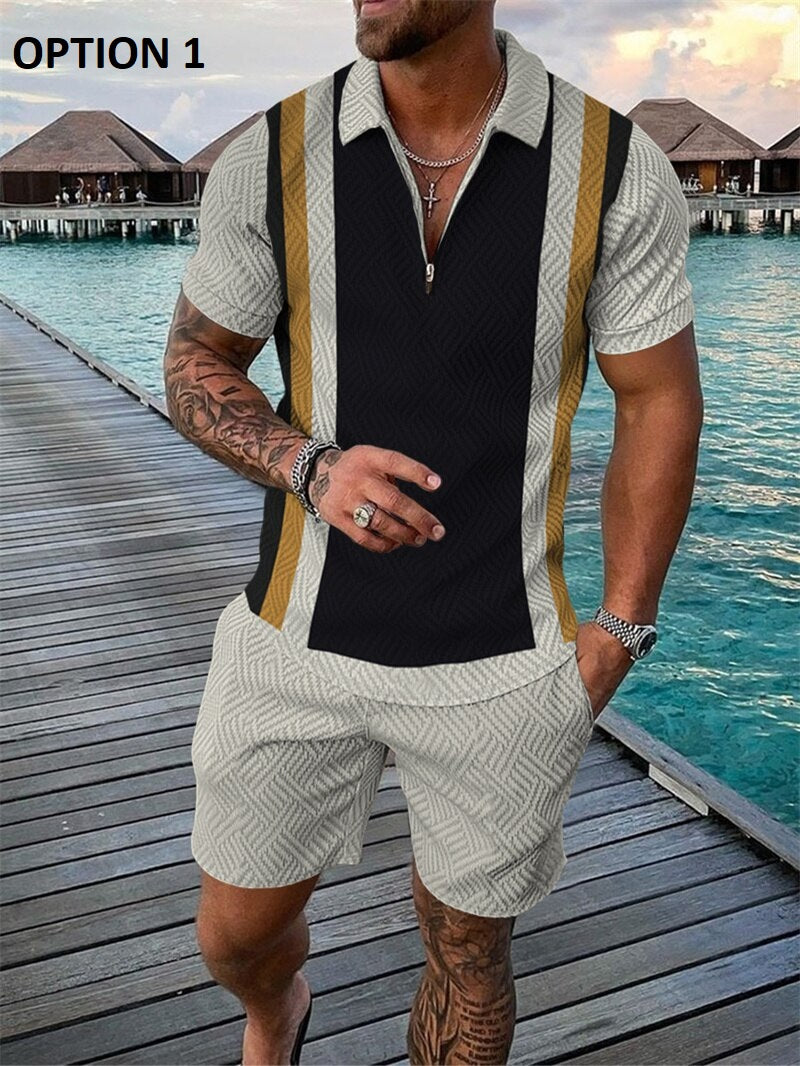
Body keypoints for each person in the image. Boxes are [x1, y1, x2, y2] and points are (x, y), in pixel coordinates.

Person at [163, 2, 702, 1063]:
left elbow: (657, 399)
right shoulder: (272, 154)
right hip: (291, 645)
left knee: (467, 953)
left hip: (502, 662)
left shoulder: (612, 168)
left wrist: (619, 629)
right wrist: (309, 467)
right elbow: (194, 362)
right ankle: (276, 1010)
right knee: (234, 937)